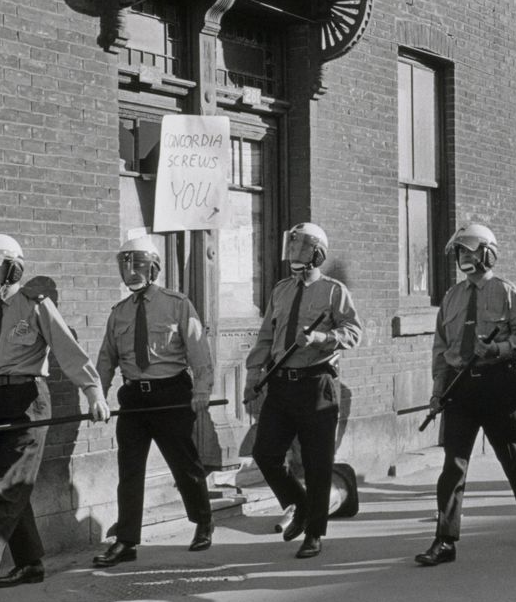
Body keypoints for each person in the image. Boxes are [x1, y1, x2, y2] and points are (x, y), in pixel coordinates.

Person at [0, 233, 110, 600]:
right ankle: (31, 563)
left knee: (8, 487)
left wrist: (93, 391)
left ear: (12, 267)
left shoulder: (35, 306)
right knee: (5, 487)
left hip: (27, 400)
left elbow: (68, 350)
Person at [416, 223, 516, 566]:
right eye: (460, 252)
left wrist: (499, 349)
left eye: (470, 252)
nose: (464, 258)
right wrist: (437, 391)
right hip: (461, 387)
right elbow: (441, 347)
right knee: (453, 466)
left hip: (497, 384)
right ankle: (445, 540)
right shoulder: (452, 297)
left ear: (488, 254)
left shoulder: (506, 292)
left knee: (513, 458)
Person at [92, 235, 218, 569]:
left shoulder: (177, 304)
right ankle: (127, 540)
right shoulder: (119, 313)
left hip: (171, 395)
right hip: (133, 398)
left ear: (154, 267)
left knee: (184, 464)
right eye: (125, 264)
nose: (131, 271)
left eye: (138, 263)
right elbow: (106, 359)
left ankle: (203, 521)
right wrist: (97, 396)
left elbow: (199, 354)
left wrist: (201, 391)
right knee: (129, 470)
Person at [244, 223, 362, 560]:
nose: (294, 255)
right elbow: (266, 336)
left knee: (316, 462)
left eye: (301, 249)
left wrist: (322, 338)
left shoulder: (333, 291)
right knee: (265, 453)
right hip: (281, 384)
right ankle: (301, 504)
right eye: (291, 248)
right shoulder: (281, 290)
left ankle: (313, 533)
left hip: (317, 384)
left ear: (318, 253)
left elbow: (353, 332)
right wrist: (254, 374)